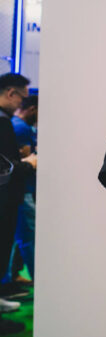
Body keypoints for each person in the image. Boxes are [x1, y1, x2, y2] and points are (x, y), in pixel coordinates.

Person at [0, 73, 35, 335]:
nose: (22, 105)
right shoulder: (4, 123)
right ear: (11, 93)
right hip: (6, 199)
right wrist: (29, 164)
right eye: (22, 98)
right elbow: (8, 168)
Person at [8, 93, 37, 284]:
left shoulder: (13, 124)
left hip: (19, 188)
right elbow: (24, 160)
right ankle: (39, 279)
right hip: (22, 189)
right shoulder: (21, 128)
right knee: (28, 236)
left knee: (17, 237)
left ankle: (12, 276)